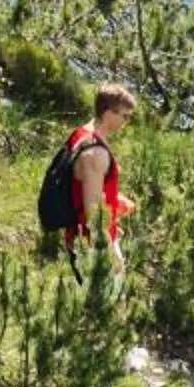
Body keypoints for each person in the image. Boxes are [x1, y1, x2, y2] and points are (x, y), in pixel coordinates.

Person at [59, 84, 136, 262]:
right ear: (108, 113)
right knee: (110, 288)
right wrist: (111, 255)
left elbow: (85, 184)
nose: (126, 121)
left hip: (88, 237)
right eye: (125, 116)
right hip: (92, 249)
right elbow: (93, 216)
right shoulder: (96, 153)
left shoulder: (82, 133)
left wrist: (115, 202)